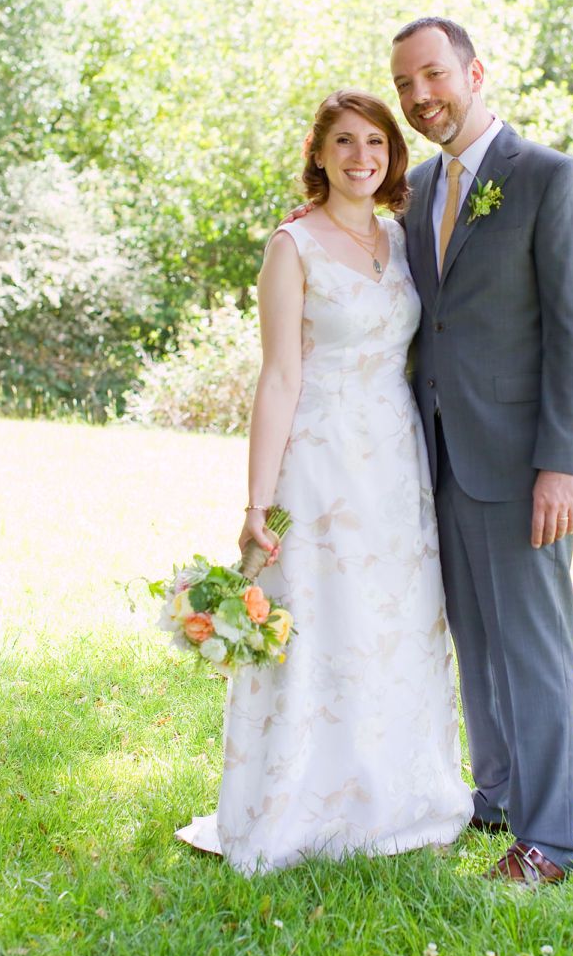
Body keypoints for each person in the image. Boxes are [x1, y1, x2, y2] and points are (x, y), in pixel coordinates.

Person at [175, 89, 473, 872]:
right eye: (344, 142)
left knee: (393, 620)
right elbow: (277, 378)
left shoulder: (402, 238)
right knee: (317, 621)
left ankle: (395, 794)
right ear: (318, 154)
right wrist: (256, 502)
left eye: (376, 143)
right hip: (319, 455)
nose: (361, 158)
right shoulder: (292, 245)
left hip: (394, 456)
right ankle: (299, 801)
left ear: (391, 156)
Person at [390, 17, 573, 885]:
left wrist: (562, 463)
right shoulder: (416, 195)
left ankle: (548, 842)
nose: (419, 98)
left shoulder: (549, 179)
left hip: (523, 464)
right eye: (405, 85)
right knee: (475, 639)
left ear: (476, 72)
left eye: (433, 76)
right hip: (437, 456)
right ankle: (497, 802)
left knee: (534, 647)